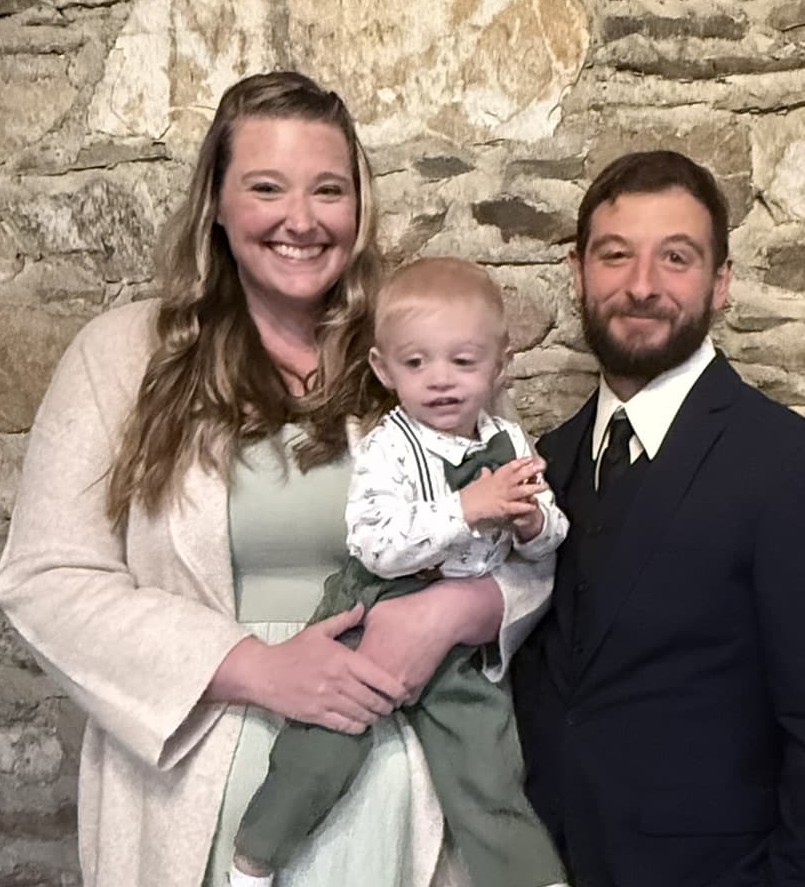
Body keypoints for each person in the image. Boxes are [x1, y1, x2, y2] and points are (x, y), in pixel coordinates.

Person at [0, 72, 555, 887]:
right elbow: (46, 576)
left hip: (404, 783)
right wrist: (255, 664)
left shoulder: (423, 349)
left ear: (358, 207)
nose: (302, 219)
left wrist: (454, 611)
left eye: (328, 190)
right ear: (216, 205)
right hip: (199, 784)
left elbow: (526, 538)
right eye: (266, 187)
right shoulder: (120, 357)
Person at [511, 150, 805, 887]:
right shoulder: (543, 465)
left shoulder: (796, 470)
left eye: (675, 257)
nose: (641, 285)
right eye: (615, 255)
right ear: (577, 272)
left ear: (721, 283)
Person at [230, 257, 568, 887]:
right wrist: (466, 510)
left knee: (487, 760)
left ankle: (529, 875)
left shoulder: (509, 441)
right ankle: (256, 853)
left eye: (463, 362)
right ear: (384, 369)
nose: (440, 380)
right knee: (329, 736)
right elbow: (375, 544)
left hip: (461, 632)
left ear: (500, 364)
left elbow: (550, 542)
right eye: (416, 363)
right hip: (372, 601)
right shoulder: (387, 445)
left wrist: (530, 524)